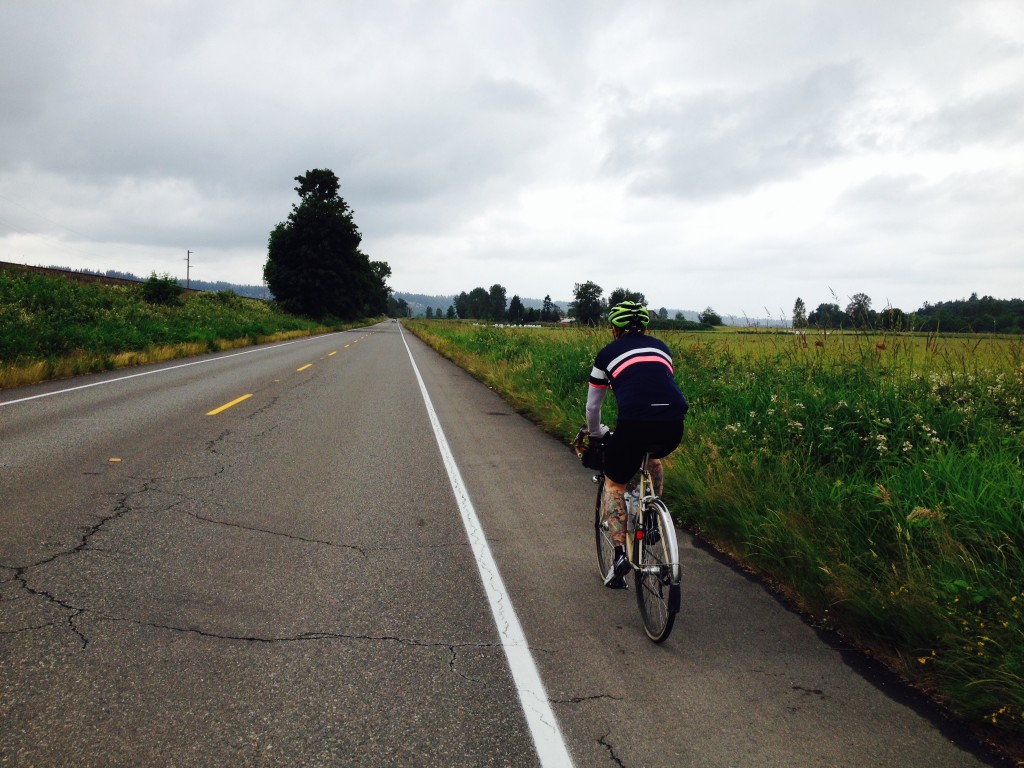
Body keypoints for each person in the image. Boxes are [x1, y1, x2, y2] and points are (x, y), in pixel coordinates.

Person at [586, 300, 688, 588]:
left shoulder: (606, 354)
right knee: (652, 456)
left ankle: (619, 554)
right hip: (672, 425)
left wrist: (595, 435)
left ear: (615, 330)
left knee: (614, 482)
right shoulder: (662, 348)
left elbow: (593, 408)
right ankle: (652, 515)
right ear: (645, 327)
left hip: (633, 423)